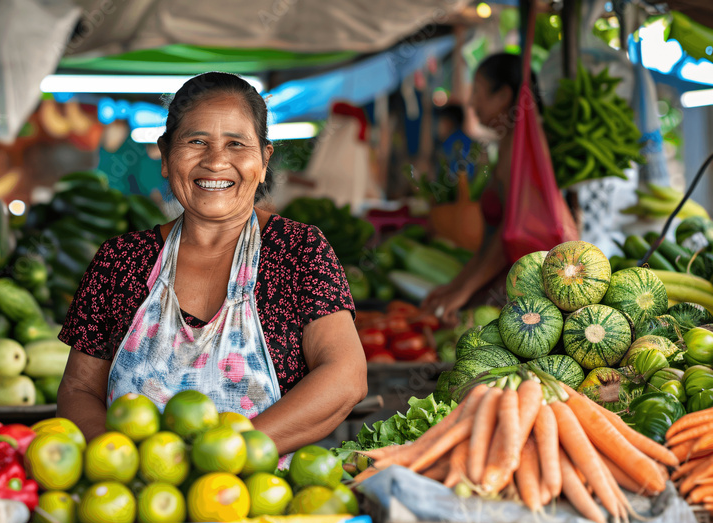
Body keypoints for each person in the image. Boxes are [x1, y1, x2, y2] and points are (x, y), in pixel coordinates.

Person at [56, 72, 368, 455]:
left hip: (266, 501)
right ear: (167, 157)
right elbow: (78, 389)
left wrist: (223, 455)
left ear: (264, 159)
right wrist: (124, 462)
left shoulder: (299, 251)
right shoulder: (121, 260)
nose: (217, 161)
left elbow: (345, 377)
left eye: (237, 144)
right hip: (136, 501)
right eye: (196, 141)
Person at [422, 53, 546, 325]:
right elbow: (492, 238)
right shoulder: (506, 145)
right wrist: (456, 287)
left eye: (476, 91)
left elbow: (510, 234)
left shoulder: (518, 149)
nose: (470, 102)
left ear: (503, 95)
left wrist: (463, 292)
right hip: (508, 284)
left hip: (523, 294)